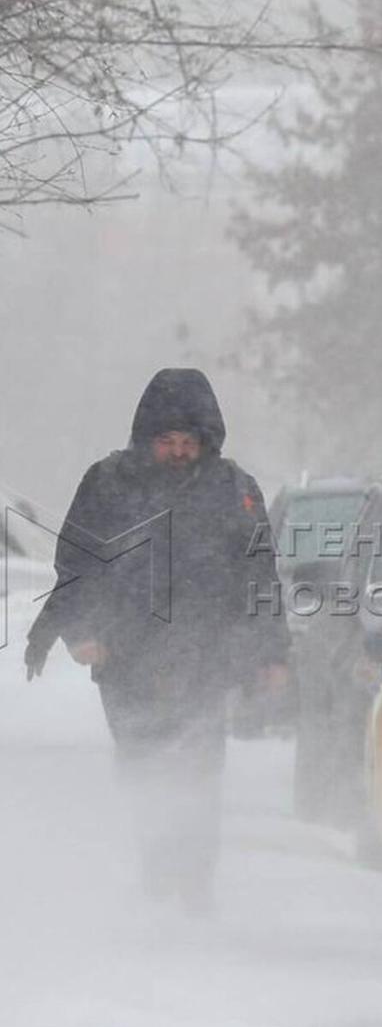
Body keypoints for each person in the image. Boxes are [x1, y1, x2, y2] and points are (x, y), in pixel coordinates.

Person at [24, 368, 290, 908]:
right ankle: (156, 867)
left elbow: (259, 575)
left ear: (206, 442)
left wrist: (272, 651)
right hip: (127, 656)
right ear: (146, 439)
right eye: (165, 441)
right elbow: (76, 563)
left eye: (187, 442)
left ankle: (193, 882)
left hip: (207, 657)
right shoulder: (107, 483)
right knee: (143, 760)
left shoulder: (235, 490)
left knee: (199, 766)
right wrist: (79, 632)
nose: (176, 452)